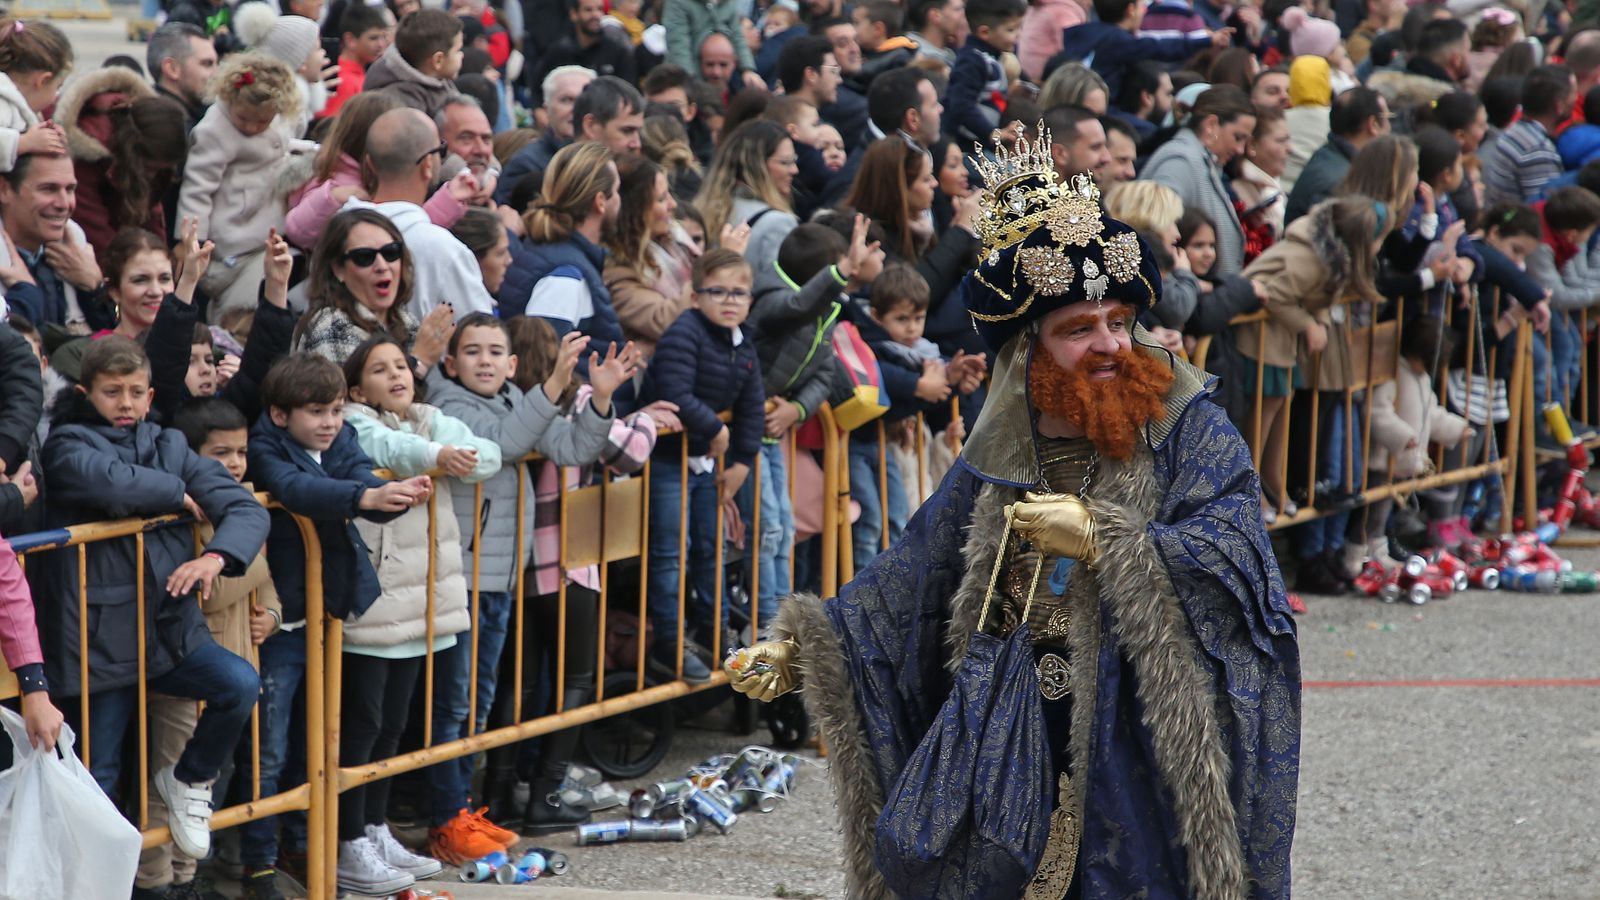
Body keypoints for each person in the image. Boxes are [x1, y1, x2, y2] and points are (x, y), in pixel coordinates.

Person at [725, 140, 1298, 900]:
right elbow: (915, 573)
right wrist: (804, 647)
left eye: (1118, 321)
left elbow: (1237, 555)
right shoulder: (1003, 444)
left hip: (1136, 729)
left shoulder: (1185, 426)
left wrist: (1108, 540)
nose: (1107, 345)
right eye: (1078, 328)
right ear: (1028, 349)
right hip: (1012, 724)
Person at [38, 336, 268, 859]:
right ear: (84, 392)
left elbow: (247, 510)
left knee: (239, 684)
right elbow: (111, 485)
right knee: (99, 775)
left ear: (150, 394)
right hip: (97, 641)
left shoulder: (168, 442)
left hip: (168, 627)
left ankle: (189, 778)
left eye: (135, 392)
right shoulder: (65, 442)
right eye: (112, 391)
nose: (125, 403)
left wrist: (215, 558)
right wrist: (176, 493)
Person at [423, 313, 632, 842]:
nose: (486, 361)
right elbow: (504, 445)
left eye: (496, 352)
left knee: (479, 698)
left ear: (512, 363)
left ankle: (464, 813)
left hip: (500, 580)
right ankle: (447, 820)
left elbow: (572, 448)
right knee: (454, 704)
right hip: (462, 578)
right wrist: (557, 382)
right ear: (451, 361)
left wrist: (601, 400)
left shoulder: (516, 397)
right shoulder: (448, 403)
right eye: (473, 351)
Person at [243, 351, 427, 888]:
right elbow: (298, 491)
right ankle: (259, 860)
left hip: (326, 611)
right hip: (279, 620)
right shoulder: (264, 447)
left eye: (337, 411)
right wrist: (367, 494)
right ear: (281, 415)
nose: (329, 424)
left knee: (317, 742)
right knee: (269, 750)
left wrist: (392, 496)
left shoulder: (338, 438)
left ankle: (307, 846)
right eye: (316, 413)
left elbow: (357, 474)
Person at [340, 333, 500, 886]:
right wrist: (438, 457)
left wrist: (454, 453)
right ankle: (347, 837)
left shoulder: (429, 418)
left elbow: (486, 455)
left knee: (392, 727)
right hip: (377, 606)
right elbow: (386, 449)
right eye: (380, 369)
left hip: (421, 606)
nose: (397, 374)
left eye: (402, 365)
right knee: (362, 726)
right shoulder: (353, 422)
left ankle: (375, 826)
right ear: (358, 386)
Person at [137, 398, 280, 900]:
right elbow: (210, 590)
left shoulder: (243, 504)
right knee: (169, 778)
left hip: (237, 657)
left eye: (241, 451)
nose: (236, 463)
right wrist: (255, 558)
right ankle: (158, 882)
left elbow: (268, 591)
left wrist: (275, 613)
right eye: (222, 453)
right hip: (190, 664)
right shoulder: (193, 510)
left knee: (205, 784)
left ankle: (187, 876)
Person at [637, 248, 763, 683]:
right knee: (671, 556)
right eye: (718, 291)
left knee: (711, 553)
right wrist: (716, 429)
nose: (730, 301)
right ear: (695, 298)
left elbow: (752, 405)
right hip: (669, 463)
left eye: (739, 293)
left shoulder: (742, 341)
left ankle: (716, 639)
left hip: (707, 467)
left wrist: (743, 460)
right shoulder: (683, 333)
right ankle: (669, 646)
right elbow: (673, 389)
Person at [177, 53, 312, 320]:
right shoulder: (215, 129)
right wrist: (191, 239)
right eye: (243, 118)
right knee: (235, 317)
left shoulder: (281, 120)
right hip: (230, 239)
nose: (251, 127)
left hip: (261, 233)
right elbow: (197, 188)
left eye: (261, 122)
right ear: (230, 99)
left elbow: (283, 148)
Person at [343, 107, 497, 319]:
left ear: (370, 164)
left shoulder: (335, 230)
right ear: (427, 166)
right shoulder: (444, 251)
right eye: (440, 151)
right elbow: (481, 338)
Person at [284, 92, 468, 251]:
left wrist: (449, 200)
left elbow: (404, 229)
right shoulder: (337, 183)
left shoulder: (369, 180)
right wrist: (330, 198)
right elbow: (297, 230)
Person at [57, 69, 188, 262]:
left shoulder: (152, 154)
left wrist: (162, 264)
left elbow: (151, 213)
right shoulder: (89, 155)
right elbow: (94, 229)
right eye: (151, 168)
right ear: (136, 153)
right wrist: (127, 273)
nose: (153, 175)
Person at [602, 154, 712, 359]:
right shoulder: (617, 269)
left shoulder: (676, 243)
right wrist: (712, 274)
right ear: (636, 210)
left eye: (669, 194)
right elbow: (664, 320)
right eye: (661, 199)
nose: (673, 205)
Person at [1143, 85, 1255, 275]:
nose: (1240, 150)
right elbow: (1156, 233)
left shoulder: (1199, 160)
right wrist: (1190, 285)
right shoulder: (1180, 161)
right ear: (1211, 125)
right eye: (1238, 137)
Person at [0, 153, 102, 333]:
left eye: (70, 189)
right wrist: (26, 294)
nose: (64, 204)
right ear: (4, 190)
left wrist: (95, 290)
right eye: (48, 189)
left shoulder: (77, 254)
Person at [1057, 0, 1223, 100]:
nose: (1144, 11)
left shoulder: (1080, 32)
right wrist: (1206, 40)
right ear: (1130, 10)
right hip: (1098, 107)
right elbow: (1161, 48)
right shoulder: (1118, 41)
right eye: (1140, 5)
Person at [695, 119, 800, 275]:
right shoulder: (779, 223)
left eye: (794, 161)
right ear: (757, 166)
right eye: (785, 162)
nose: (794, 170)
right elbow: (780, 292)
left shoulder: (707, 209)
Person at [1285, 86, 1389, 223]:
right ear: (1373, 125)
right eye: (1387, 117)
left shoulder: (1331, 155)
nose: (1389, 127)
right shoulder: (1340, 184)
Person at [494, 65, 595, 205]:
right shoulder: (525, 165)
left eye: (583, 101)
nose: (576, 109)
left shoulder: (607, 156)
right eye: (566, 100)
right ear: (546, 110)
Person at [1480, 65, 1574, 206]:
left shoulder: (1515, 131)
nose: (1576, 98)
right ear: (1559, 106)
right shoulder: (1537, 150)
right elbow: (1546, 209)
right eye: (1573, 93)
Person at [945, 0, 1023, 147]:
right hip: (964, 145)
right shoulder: (973, 60)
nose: (1018, 35)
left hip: (979, 142)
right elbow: (961, 104)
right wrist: (991, 133)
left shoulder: (992, 57)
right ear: (984, 32)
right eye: (1011, 30)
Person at [362, 8, 464, 118]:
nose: (462, 55)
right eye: (457, 50)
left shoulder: (440, 81)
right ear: (438, 60)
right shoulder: (401, 105)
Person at [0, 17, 69, 176]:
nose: (56, 95)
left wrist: (44, 137)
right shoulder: (3, 101)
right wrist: (22, 143)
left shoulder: (12, 104)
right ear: (42, 80)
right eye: (57, 87)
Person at [530, 0, 635, 103]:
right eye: (588, 10)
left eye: (600, 9)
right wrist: (539, 110)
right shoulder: (559, 51)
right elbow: (537, 88)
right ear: (574, 14)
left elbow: (628, 93)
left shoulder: (617, 50)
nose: (596, 15)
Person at [1233, 105, 1291, 257]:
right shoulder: (1241, 192)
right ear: (1252, 145)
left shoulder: (1271, 186)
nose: (1290, 149)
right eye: (1281, 141)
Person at [320, 2, 391, 119]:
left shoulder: (360, 74)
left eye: (383, 37)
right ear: (350, 40)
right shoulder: (343, 81)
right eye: (373, 38)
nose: (381, 44)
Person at [148, 22, 218, 132]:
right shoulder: (163, 132)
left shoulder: (204, 118)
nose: (216, 73)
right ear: (172, 69)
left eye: (216, 64)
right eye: (207, 64)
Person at [664, 0, 754, 79]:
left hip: (723, 77)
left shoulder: (729, 2)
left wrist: (748, 69)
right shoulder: (678, 2)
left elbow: (737, 36)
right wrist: (689, 81)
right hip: (690, 73)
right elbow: (678, 45)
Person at [1018, 0, 1084, 80]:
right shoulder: (1034, 8)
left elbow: (1073, 50)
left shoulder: (1062, 11)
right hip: (1027, 81)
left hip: (1051, 83)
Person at [1111, 60, 1171, 139]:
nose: (1173, 100)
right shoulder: (1150, 136)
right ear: (1147, 97)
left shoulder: (1111, 123)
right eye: (1168, 94)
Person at [906, 0, 964, 69]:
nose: (964, 15)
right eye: (957, 9)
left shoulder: (951, 55)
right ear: (935, 16)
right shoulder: (911, 56)